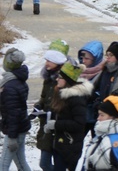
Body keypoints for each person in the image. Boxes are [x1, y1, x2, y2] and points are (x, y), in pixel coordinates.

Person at [47, 62, 93, 171]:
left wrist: (56, 125)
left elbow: (79, 123)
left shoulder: (76, 99)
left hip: (69, 147)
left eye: (60, 77)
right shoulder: (62, 94)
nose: (57, 79)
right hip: (61, 144)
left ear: (68, 80)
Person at [35, 39, 71, 171]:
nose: (46, 63)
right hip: (46, 126)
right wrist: (39, 106)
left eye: (49, 60)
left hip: (57, 128)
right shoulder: (48, 78)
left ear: (58, 61)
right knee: (45, 164)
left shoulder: (63, 81)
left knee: (51, 164)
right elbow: (44, 98)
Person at [82, 96, 118, 170]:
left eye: (102, 115)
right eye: (99, 114)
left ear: (115, 118)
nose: (98, 118)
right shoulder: (102, 136)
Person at [0, 48, 32, 171]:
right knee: (21, 162)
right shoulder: (18, 81)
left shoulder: (10, 86)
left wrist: (12, 137)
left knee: (3, 166)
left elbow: (14, 113)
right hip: (20, 128)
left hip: (15, 131)